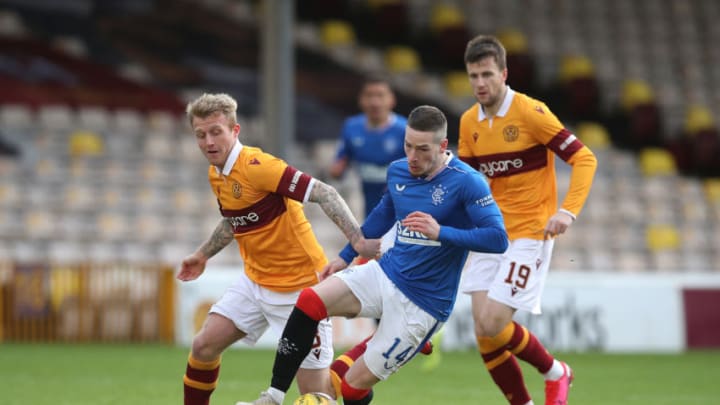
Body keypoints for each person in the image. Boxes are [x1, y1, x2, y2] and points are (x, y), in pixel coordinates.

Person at [238, 105, 509, 405]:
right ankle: (274, 397)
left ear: (443, 146)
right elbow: (382, 216)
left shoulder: (467, 182)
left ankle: (416, 340)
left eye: (422, 149)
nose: (412, 157)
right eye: (408, 146)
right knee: (309, 301)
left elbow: (498, 239)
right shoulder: (398, 170)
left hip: (423, 304)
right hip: (385, 273)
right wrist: (345, 255)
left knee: (352, 390)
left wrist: (441, 232)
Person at [178, 93, 380, 405]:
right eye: (200, 135)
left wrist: (357, 241)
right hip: (255, 282)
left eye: (216, 131)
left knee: (317, 395)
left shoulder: (259, 167)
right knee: (204, 345)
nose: (208, 141)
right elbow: (235, 220)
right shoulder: (216, 173)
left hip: (299, 288)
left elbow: (325, 193)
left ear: (235, 130)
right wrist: (203, 254)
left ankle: (362, 369)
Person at [457, 35, 597, 405]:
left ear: (504, 73)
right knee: (485, 335)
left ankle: (555, 371)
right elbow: (468, 187)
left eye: (487, 74)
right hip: (490, 234)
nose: (480, 84)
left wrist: (567, 210)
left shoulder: (532, 113)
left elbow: (585, 159)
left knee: (492, 323)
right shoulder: (469, 122)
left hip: (530, 234)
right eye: (473, 76)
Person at [328, 74, 407, 221]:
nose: (374, 102)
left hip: (400, 209)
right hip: (368, 207)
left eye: (380, 95)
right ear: (361, 100)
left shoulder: (405, 129)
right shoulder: (351, 127)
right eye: (369, 95)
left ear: (392, 99)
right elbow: (340, 163)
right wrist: (337, 169)